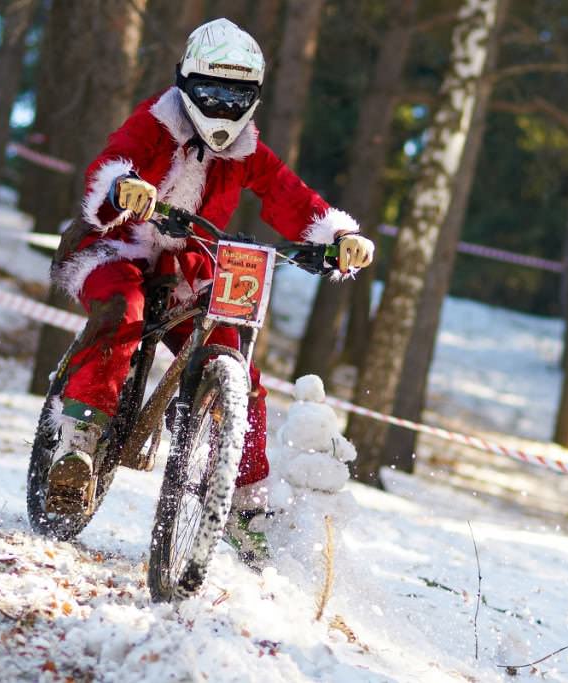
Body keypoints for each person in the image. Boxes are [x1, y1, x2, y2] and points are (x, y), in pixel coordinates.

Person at [45, 18, 374, 562]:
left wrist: (340, 237)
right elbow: (112, 162)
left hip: (190, 262)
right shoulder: (154, 125)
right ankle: (76, 445)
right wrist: (125, 187)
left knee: (236, 359)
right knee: (123, 312)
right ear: (185, 84)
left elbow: (291, 198)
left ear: (254, 97)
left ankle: (243, 500)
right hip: (119, 246)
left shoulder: (246, 151)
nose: (223, 107)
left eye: (236, 95)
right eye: (211, 92)